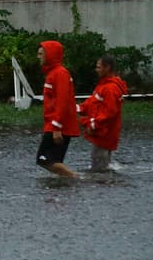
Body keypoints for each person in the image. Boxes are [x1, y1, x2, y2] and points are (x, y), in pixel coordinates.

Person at [36, 40, 79, 178]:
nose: (38, 57)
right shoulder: (53, 73)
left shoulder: (59, 73)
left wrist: (56, 127)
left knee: (44, 159)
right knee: (51, 160)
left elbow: (62, 101)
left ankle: (75, 178)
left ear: (50, 55)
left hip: (58, 126)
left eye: (41, 54)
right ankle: (67, 181)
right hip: (55, 124)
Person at [78, 54, 129, 173]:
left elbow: (109, 113)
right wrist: (75, 109)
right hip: (103, 133)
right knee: (100, 165)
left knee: (99, 169)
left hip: (104, 134)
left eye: (99, 67)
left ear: (107, 67)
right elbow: (91, 103)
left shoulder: (110, 88)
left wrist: (92, 125)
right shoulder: (104, 85)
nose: (96, 70)